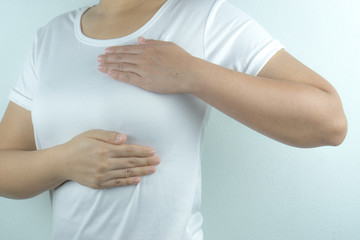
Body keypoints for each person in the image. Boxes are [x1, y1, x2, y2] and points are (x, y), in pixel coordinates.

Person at [0, 0, 347, 239]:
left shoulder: (206, 18)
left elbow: (329, 121)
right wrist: (62, 162)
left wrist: (191, 74)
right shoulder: (50, 37)